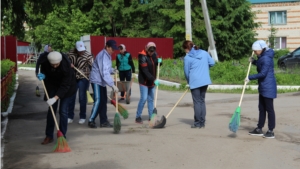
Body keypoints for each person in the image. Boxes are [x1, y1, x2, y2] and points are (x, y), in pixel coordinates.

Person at [37, 51, 77, 144]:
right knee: (51, 111)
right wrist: (43, 75)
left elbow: (65, 86)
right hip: (53, 86)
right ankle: (49, 135)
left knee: (63, 111)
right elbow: (44, 72)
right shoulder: (46, 63)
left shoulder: (66, 66)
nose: (55, 66)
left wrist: (55, 98)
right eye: (53, 65)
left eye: (57, 64)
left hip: (67, 88)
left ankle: (62, 136)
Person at [246, 40, 277, 139]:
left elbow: (263, 73)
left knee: (269, 109)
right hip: (263, 86)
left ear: (261, 49)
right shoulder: (263, 57)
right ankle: (259, 128)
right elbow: (260, 64)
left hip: (268, 87)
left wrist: (249, 78)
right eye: (254, 51)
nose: (254, 52)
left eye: (256, 51)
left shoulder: (267, 58)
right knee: (261, 108)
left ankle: (271, 130)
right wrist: (254, 61)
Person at [182, 40, 215, 128]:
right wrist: (204, 66)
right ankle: (202, 122)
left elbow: (186, 72)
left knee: (196, 102)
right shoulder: (204, 53)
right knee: (201, 101)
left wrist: (189, 81)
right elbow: (212, 63)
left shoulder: (188, 58)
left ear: (186, 48)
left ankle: (197, 123)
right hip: (205, 81)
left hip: (195, 81)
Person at [88, 40, 119, 128]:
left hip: (102, 81)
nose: (113, 51)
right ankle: (91, 120)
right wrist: (112, 85)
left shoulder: (107, 55)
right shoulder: (102, 55)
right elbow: (104, 72)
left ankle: (103, 121)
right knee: (98, 100)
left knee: (103, 101)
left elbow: (107, 69)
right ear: (107, 47)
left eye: (114, 49)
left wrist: (113, 70)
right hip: (97, 80)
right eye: (112, 49)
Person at [135, 42, 162, 124]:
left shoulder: (154, 54)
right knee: (143, 99)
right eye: (150, 51)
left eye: (153, 51)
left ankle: (151, 117)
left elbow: (156, 64)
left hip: (152, 82)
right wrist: (154, 80)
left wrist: (159, 62)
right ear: (146, 48)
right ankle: (138, 117)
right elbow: (145, 71)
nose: (151, 53)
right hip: (144, 81)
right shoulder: (142, 56)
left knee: (150, 99)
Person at [67, 41, 93, 124]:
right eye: (79, 50)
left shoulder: (88, 55)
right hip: (73, 77)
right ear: (76, 49)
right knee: (71, 97)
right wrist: (69, 64)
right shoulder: (71, 53)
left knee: (82, 98)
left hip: (83, 77)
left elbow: (93, 66)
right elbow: (65, 62)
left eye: (82, 50)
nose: (81, 52)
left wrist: (92, 78)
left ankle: (82, 116)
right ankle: (70, 116)